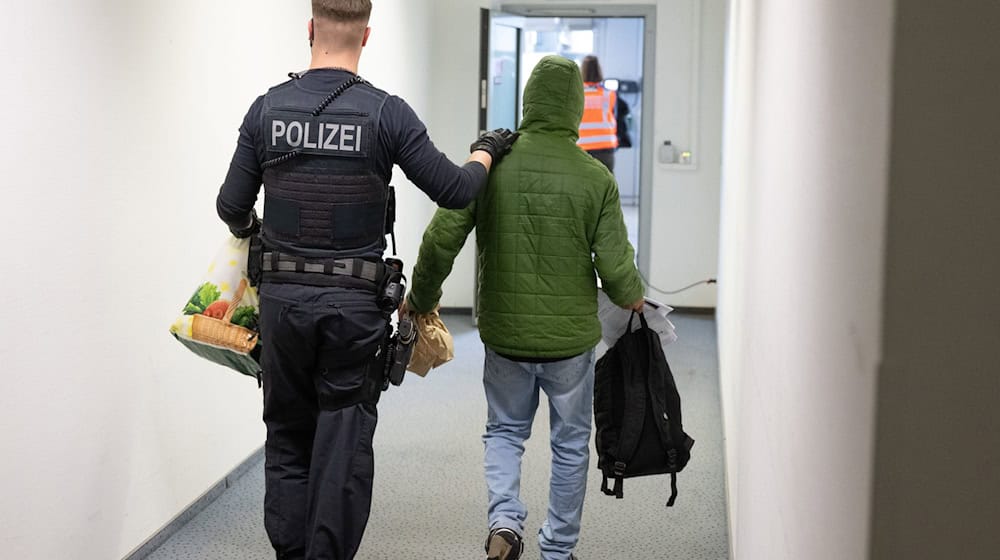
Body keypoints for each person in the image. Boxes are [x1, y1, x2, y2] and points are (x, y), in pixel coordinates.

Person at [215, 1, 517, 558]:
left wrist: (254, 231)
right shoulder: (385, 114)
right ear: (367, 36)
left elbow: (230, 205)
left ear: (311, 28)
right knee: (343, 442)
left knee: (287, 437)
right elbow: (455, 190)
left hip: (282, 308)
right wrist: (486, 151)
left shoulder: (266, 109)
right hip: (353, 311)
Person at [405, 55, 644, 560]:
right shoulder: (595, 177)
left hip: (505, 337)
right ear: (576, 107)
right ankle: (557, 550)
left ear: (528, 102)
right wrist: (633, 295)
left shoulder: (489, 168)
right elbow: (617, 271)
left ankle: (505, 523)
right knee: (570, 445)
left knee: (504, 431)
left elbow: (440, 239)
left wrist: (420, 300)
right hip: (569, 345)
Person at [577, 54, 618, 172]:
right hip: (606, 147)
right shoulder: (609, 94)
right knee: (606, 182)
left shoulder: (576, 95)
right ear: (599, 71)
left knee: (583, 182)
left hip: (582, 147)